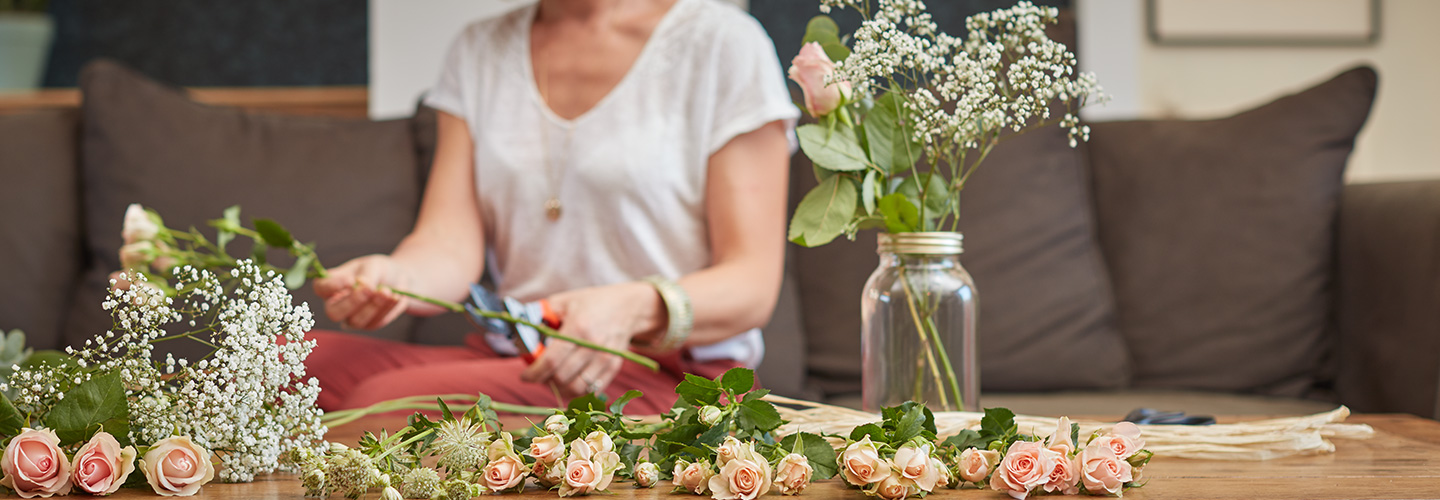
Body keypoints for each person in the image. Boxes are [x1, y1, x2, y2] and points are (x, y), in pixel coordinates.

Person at [307, 0, 798, 414]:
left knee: (391, 404)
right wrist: (394, 279)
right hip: (520, 357)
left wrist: (630, 309)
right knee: (276, 366)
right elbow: (446, 243)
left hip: (675, 378)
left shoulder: (724, 45)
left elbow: (751, 284)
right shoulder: (479, 48)